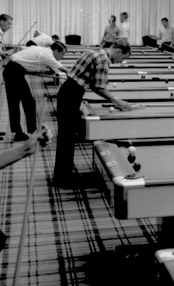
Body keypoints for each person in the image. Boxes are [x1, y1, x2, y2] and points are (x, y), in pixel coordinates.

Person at [53, 39, 136, 188]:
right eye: (123, 57)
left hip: (67, 91)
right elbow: (98, 87)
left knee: (67, 134)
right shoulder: (104, 59)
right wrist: (117, 101)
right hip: (73, 94)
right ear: (118, 51)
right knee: (67, 135)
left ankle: (63, 173)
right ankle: (63, 179)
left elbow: (91, 82)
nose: (121, 61)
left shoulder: (94, 52)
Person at [3, 41, 68, 141]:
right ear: (55, 50)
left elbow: (24, 59)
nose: (63, 56)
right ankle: (30, 131)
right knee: (26, 102)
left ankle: (19, 132)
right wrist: (74, 74)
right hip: (14, 72)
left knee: (17, 102)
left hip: (13, 70)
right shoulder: (47, 55)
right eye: (62, 53)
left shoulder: (42, 49)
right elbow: (61, 67)